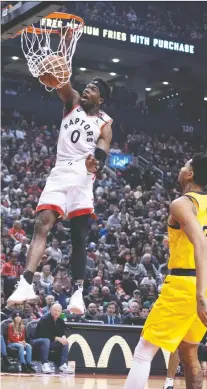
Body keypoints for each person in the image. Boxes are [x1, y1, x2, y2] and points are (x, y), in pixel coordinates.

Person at [8, 70, 113, 317]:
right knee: (41, 225)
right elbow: (63, 86)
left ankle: (78, 292)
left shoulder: (105, 123)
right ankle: (25, 283)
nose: (87, 90)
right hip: (60, 171)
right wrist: (59, 70)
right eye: (87, 86)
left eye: (93, 89)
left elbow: (102, 150)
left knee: (79, 236)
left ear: (101, 100)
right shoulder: (73, 101)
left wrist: (95, 163)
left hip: (83, 174)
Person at [123, 154, 207, 389]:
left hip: (186, 284)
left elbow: (200, 242)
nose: (180, 169)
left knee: (143, 351)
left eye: (184, 165)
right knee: (190, 354)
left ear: (190, 174)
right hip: (205, 283)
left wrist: (200, 294)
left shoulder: (182, 203)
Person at [31, 303, 70, 374]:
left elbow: (61, 333)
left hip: (50, 342)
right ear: (50, 310)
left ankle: (63, 365)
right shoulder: (44, 319)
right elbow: (44, 334)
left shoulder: (60, 321)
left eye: (58, 311)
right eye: (55, 310)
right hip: (37, 342)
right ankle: (44, 364)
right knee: (46, 340)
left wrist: (63, 336)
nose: (56, 312)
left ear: (61, 312)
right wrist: (57, 338)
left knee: (65, 342)